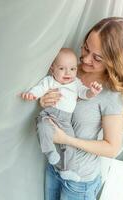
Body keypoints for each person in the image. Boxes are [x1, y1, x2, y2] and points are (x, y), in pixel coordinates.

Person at [40, 17, 123, 200]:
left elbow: (111, 148)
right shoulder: (71, 71)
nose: (85, 58)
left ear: (114, 61)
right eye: (86, 48)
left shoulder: (111, 95)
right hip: (54, 168)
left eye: (97, 58)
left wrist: (67, 139)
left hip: (79, 182)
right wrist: (45, 101)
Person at [21, 48, 103, 182]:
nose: (68, 73)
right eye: (62, 68)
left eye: (72, 69)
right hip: (50, 114)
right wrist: (32, 94)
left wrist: (92, 92)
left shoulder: (76, 83)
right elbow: (40, 88)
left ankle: (66, 170)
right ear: (52, 69)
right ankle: (50, 152)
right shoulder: (50, 81)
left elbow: (84, 93)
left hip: (65, 120)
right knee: (42, 127)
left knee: (70, 144)